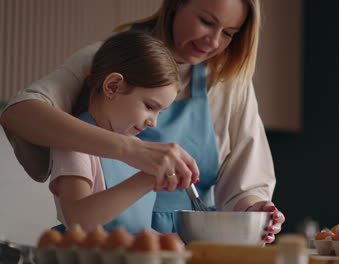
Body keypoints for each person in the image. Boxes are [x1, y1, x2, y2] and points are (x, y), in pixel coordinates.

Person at [0, 0, 285, 242]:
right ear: (176, 4)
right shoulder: (110, 60)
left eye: (229, 33)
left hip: (193, 244)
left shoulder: (229, 83)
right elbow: (19, 113)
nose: (213, 42)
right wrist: (132, 152)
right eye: (206, 21)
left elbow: (244, 185)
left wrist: (254, 211)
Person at [48, 30, 186, 234]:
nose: (154, 123)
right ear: (113, 86)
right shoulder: (75, 143)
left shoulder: (138, 149)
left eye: (160, 112)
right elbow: (77, 219)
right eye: (149, 106)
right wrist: (146, 178)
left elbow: (133, 230)